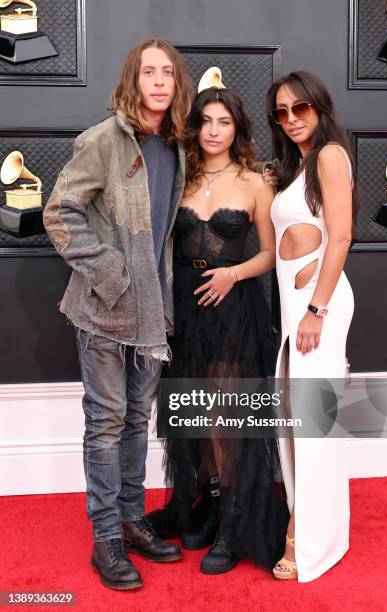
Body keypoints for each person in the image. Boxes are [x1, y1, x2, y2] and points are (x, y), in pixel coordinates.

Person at [43, 38, 192, 590]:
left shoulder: (175, 146)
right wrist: (110, 273)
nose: (158, 81)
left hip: (152, 315)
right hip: (105, 310)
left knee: (135, 421)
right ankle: (105, 538)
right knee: (105, 425)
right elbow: (59, 211)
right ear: (133, 81)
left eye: (167, 73)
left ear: (177, 85)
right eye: (148, 72)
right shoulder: (104, 140)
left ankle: (131, 520)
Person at [148, 84, 289, 575]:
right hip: (184, 306)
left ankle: (233, 524)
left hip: (233, 305)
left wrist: (232, 273)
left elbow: (271, 254)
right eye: (205, 121)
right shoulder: (179, 176)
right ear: (195, 127)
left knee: (227, 416)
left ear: (237, 129)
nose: (213, 131)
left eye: (223, 122)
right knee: (194, 411)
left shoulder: (255, 183)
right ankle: (208, 503)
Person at [266, 70, 357, 581]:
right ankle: (322, 526)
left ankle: (305, 539)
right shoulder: (301, 166)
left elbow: (340, 238)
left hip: (317, 308)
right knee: (301, 422)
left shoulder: (329, 155)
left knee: (313, 423)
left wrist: (316, 310)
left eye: (300, 107)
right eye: (281, 111)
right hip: (298, 307)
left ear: (319, 107)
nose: (292, 118)